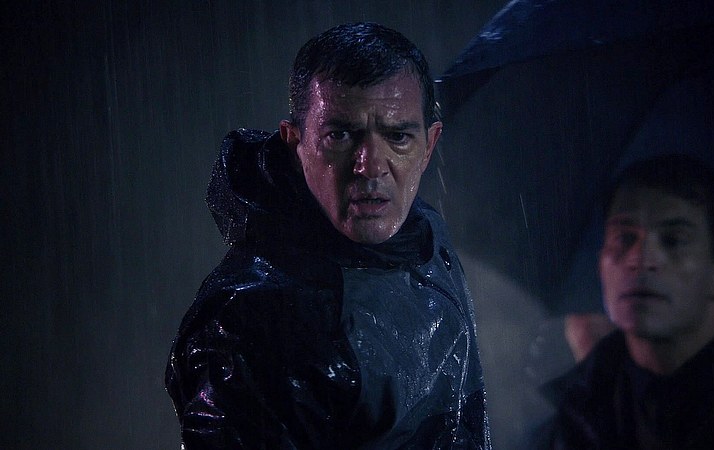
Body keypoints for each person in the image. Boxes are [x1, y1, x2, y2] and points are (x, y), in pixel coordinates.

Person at [165, 22, 491, 449]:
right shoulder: (253, 318)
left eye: (397, 136)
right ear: (295, 144)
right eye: (340, 135)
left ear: (429, 146)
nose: (370, 165)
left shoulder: (426, 236)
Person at [538, 153, 714, 449]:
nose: (640, 259)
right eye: (624, 238)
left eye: (673, 240)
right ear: (600, 266)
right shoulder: (575, 409)